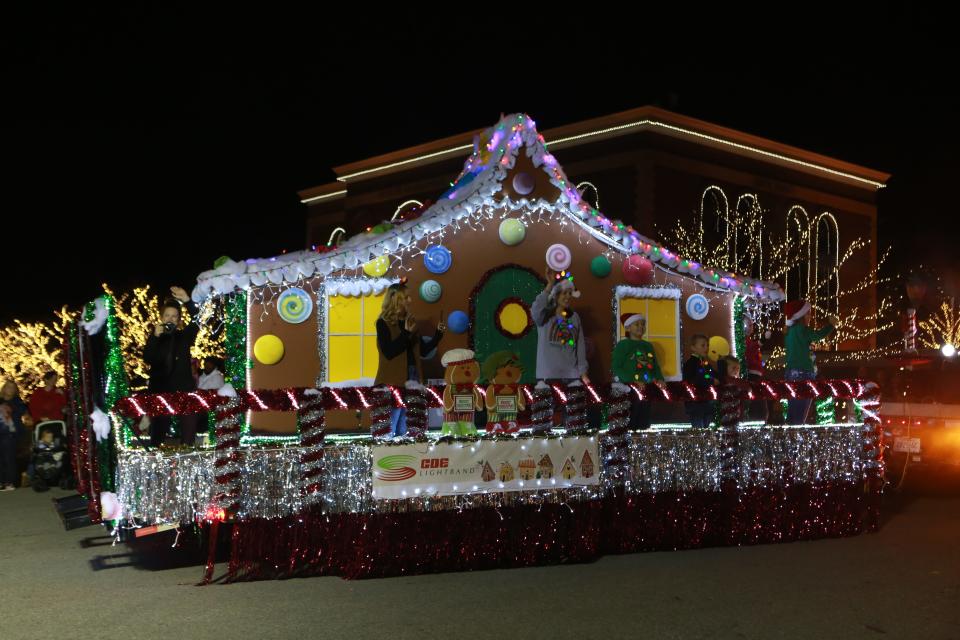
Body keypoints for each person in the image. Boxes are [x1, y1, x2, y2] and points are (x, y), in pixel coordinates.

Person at [374, 281, 444, 436]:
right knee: (389, 428)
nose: (410, 301)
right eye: (406, 297)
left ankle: (405, 457)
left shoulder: (410, 322)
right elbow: (389, 352)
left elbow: (422, 351)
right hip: (392, 380)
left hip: (413, 377)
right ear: (396, 299)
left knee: (407, 428)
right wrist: (406, 333)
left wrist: (437, 336)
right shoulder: (383, 323)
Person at [142, 287, 202, 446]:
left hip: (183, 390)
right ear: (161, 318)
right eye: (167, 315)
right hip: (160, 391)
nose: (170, 319)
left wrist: (188, 301)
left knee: (188, 437)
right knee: (157, 437)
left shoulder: (184, 337)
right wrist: (154, 337)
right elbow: (148, 358)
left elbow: (198, 320)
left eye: (174, 316)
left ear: (178, 320)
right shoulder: (155, 337)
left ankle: (187, 461)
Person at [783, 299, 837, 425]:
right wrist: (831, 325)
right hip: (804, 373)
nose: (810, 316)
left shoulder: (789, 331)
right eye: (808, 313)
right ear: (800, 315)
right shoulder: (802, 329)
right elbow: (818, 335)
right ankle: (795, 440)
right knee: (800, 414)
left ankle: (788, 437)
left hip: (790, 374)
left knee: (792, 411)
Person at [611, 313, 665, 429]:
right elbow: (616, 367)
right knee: (632, 416)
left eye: (643, 324)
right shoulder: (623, 345)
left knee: (644, 416)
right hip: (629, 389)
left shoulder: (648, 346)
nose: (641, 327)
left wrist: (660, 378)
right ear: (628, 328)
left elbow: (655, 365)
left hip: (646, 387)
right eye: (637, 324)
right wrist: (632, 381)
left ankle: (641, 438)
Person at [1, 381, 34, 491]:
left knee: (8, 456)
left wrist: (28, 422)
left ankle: (9, 481)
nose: (10, 389)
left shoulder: (17, 402)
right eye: (8, 387)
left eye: (12, 387)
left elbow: (26, 415)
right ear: (4, 388)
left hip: (11, 433)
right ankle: (2, 481)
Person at [682, 334, 717, 428]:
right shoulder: (690, 363)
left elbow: (711, 373)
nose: (706, 348)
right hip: (695, 403)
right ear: (693, 347)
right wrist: (711, 381)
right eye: (703, 345)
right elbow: (694, 380)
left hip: (706, 401)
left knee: (706, 425)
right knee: (699, 428)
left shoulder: (705, 363)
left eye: (707, 345)